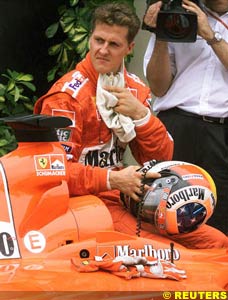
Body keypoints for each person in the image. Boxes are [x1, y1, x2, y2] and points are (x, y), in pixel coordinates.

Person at [34, 2, 228, 248]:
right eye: (98, 40)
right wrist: (112, 180)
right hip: (81, 206)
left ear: (129, 48)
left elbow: (161, 157)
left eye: (113, 44)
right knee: (179, 251)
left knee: (217, 242)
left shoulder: (134, 88)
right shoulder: (66, 97)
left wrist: (143, 118)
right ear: (90, 39)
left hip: (122, 199)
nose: (103, 50)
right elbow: (52, 173)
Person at [143, 0, 228, 234]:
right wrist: (162, 33)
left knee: (220, 220)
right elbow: (158, 87)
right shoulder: (179, 12)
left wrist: (210, 35)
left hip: (222, 132)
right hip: (176, 125)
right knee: (162, 210)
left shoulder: (204, 24)